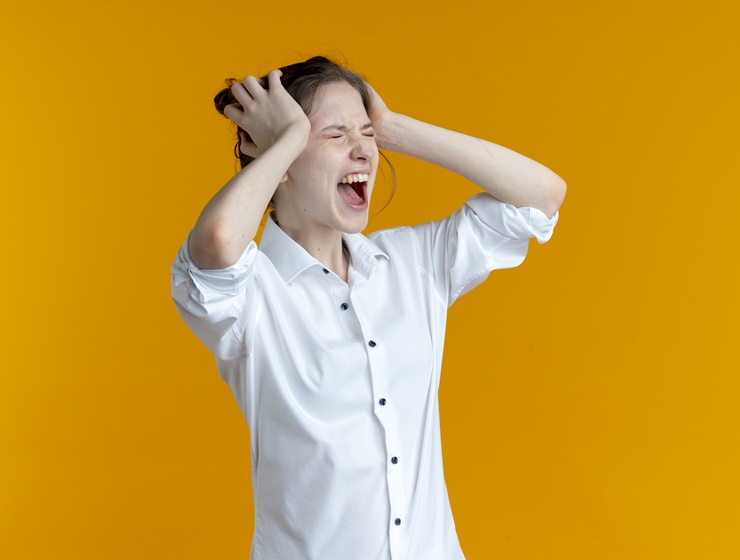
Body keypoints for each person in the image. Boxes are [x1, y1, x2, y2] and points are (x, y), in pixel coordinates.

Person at [171, 55, 566, 560]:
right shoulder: (251, 296)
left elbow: (542, 196)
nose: (362, 150)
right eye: (335, 134)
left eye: (366, 133)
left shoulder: (412, 263)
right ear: (280, 159)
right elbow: (218, 241)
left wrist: (392, 127)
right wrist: (286, 142)